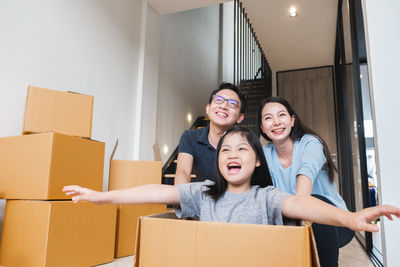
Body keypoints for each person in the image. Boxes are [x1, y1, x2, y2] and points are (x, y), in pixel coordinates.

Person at [63, 126, 399, 234]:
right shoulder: (202, 192)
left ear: (256, 162)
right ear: (219, 160)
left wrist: (350, 218)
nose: (233, 154)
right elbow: (157, 189)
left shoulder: (265, 196)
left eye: (242, 149)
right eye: (226, 150)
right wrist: (101, 196)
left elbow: (301, 202)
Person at [258, 96, 353, 267]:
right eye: (268, 118)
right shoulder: (264, 154)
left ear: (292, 120)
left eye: (281, 115)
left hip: (334, 222)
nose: (276, 122)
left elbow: (305, 182)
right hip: (293, 224)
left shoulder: (311, 143)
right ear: (262, 128)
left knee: (315, 200)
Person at [175, 82, 251, 184]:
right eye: (219, 100)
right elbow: (183, 172)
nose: (224, 106)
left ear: (240, 117)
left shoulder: (246, 142)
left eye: (232, 103)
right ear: (208, 108)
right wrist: (181, 196)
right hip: (204, 196)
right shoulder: (190, 137)